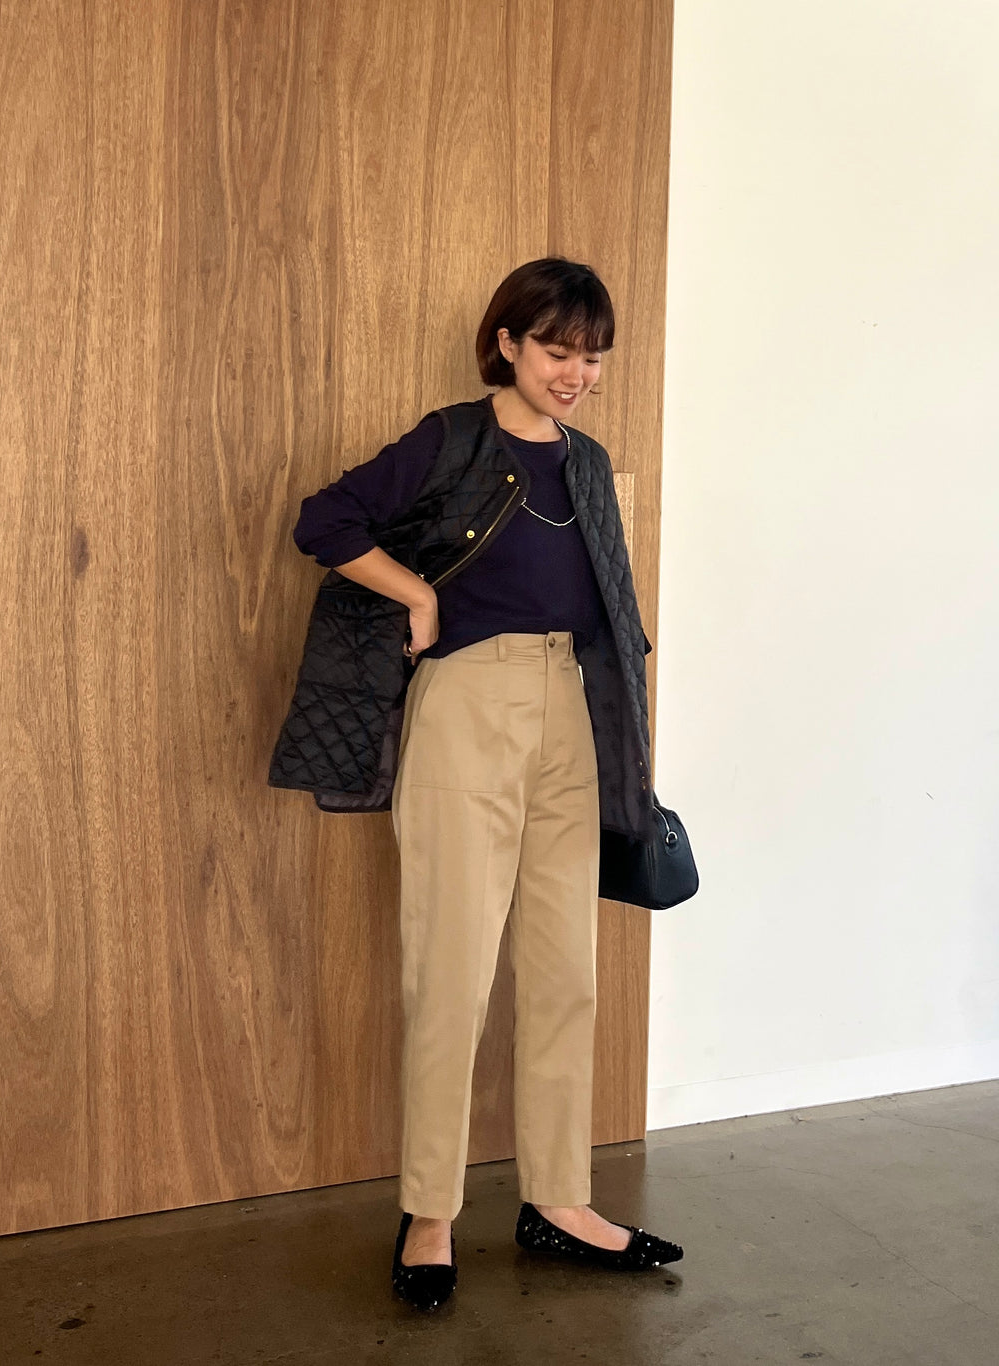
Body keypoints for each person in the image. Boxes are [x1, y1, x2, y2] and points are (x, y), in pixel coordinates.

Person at [271, 258, 683, 1311]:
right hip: (468, 706)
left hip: (572, 712)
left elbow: (612, 606)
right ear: (507, 343)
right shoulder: (452, 440)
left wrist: (628, 743)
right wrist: (414, 594)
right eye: (557, 350)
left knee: (564, 970)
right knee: (449, 966)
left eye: (592, 356)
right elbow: (325, 520)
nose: (576, 373)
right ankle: (429, 1213)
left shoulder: (587, 463)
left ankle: (560, 1198)